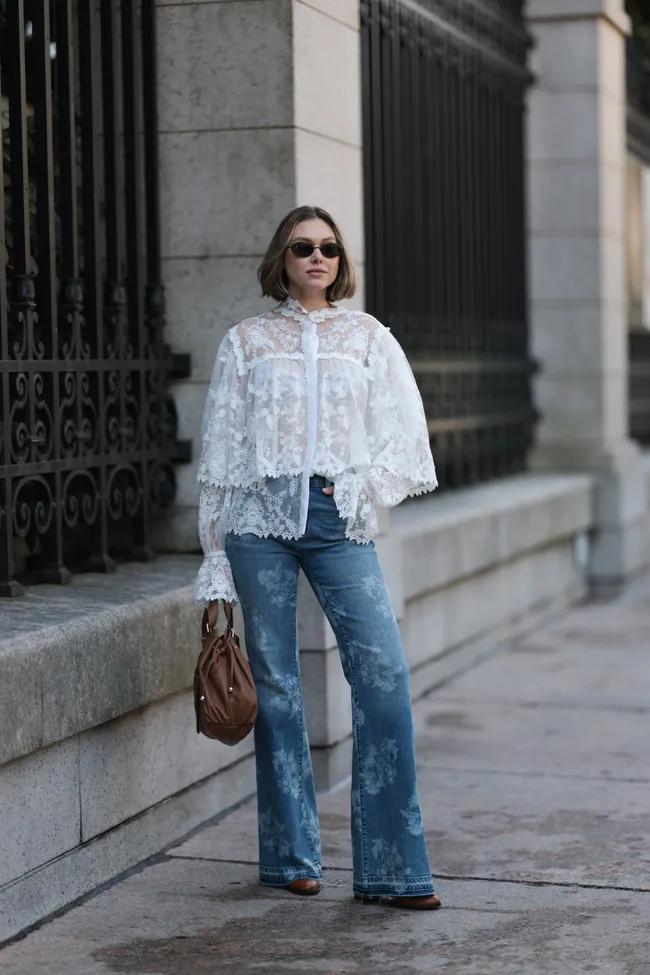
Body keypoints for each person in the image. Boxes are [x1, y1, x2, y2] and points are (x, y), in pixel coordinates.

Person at [195, 205, 441, 910]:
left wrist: (366, 484)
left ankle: (393, 866)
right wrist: (214, 553)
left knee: (384, 676)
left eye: (329, 248)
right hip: (256, 519)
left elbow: (408, 436)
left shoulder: (367, 338)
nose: (317, 258)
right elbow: (220, 449)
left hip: (340, 519)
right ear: (283, 256)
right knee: (275, 687)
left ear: (341, 260)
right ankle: (290, 855)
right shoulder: (246, 340)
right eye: (303, 247)